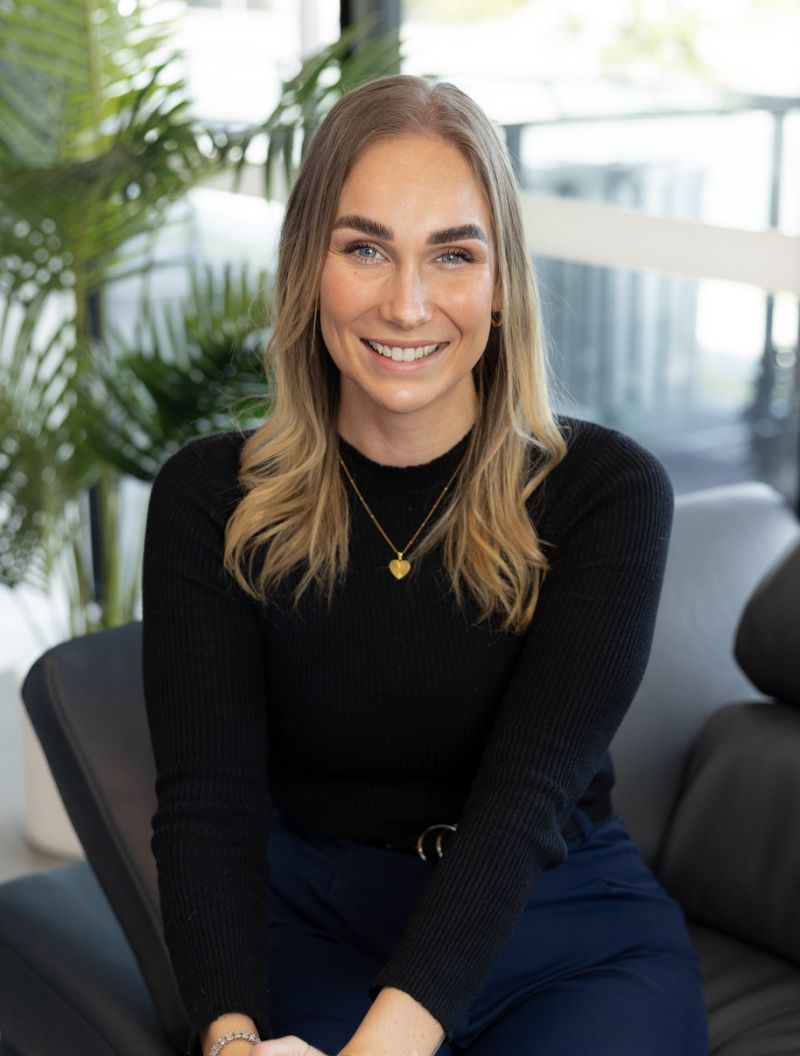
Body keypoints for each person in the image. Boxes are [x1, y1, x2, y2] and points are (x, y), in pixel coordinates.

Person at [142, 75, 708, 1056]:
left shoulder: (606, 494)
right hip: (321, 926)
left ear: (501, 283)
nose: (407, 305)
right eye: (365, 249)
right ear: (306, 268)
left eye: (453, 255)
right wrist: (232, 1042)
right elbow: (207, 807)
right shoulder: (210, 499)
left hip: (558, 920)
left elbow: (528, 797)